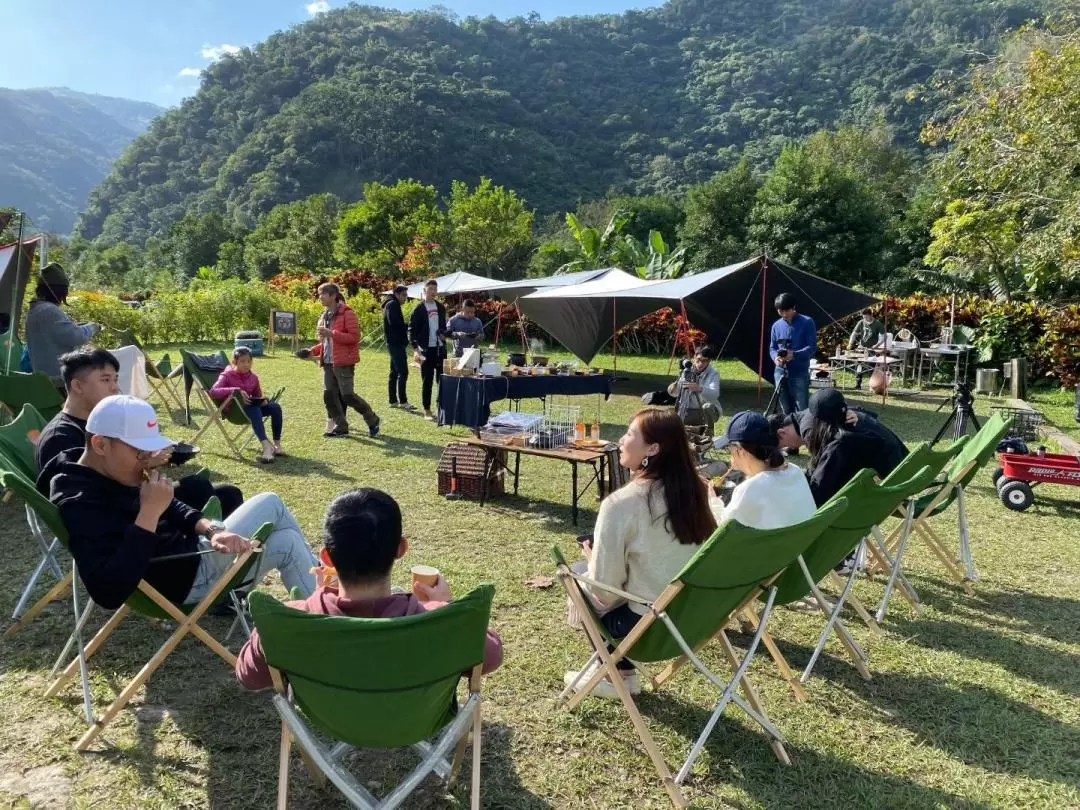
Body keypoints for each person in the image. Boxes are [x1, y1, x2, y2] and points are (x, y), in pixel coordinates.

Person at [49, 395, 318, 611]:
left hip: (193, 556)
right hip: (185, 578)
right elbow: (107, 593)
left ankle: (330, 614)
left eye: (150, 450)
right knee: (270, 502)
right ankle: (334, 600)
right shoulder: (80, 500)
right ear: (100, 444)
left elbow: (172, 505)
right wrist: (150, 512)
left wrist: (212, 530)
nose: (148, 459)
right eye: (139, 450)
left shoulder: (108, 470)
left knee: (288, 542)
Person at [235, 487, 503, 690]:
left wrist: (314, 599)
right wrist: (447, 608)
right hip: (415, 722)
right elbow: (491, 656)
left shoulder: (287, 620)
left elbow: (249, 676)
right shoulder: (439, 621)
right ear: (401, 549)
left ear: (326, 557)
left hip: (329, 721)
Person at [564, 408, 717, 698]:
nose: (621, 440)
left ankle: (616, 673)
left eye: (630, 433)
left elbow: (605, 592)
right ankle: (622, 673)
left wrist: (591, 562)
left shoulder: (621, 504)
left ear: (653, 448)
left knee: (576, 580)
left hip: (646, 630)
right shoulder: (696, 491)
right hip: (693, 619)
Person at [35, 348, 244, 517]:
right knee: (216, 492)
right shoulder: (60, 436)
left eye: (116, 379)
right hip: (117, 513)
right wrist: (146, 463)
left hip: (127, 500)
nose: (115, 388)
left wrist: (150, 454)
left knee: (213, 490)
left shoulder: (97, 422)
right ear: (77, 386)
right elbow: (78, 492)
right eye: (105, 380)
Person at [710, 411, 817, 529]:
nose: (729, 453)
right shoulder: (795, 471)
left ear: (740, 450)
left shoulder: (749, 489)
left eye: (728, 449)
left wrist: (713, 501)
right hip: (801, 545)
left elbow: (721, 531)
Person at [803, 388, 902, 507]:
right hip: (862, 510)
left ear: (816, 420)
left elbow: (818, 492)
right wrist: (854, 427)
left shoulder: (837, 447)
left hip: (833, 515)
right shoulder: (869, 439)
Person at [309, 283, 381, 439]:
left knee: (347, 395)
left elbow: (354, 338)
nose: (320, 297)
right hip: (328, 362)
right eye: (319, 294)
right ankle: (340, 426)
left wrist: (332, 333)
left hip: (344, 362)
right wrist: (311, 351)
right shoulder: (324, 315)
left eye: (323, 294)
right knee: (329, 395)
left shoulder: (347, 313)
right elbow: (326, 342)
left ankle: (372, 419)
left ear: (333, 296)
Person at [768, 395, 908, 475]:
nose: (789, 448)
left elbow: (824, 476)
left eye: (783, 446)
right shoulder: (811, 413)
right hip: (902, 459)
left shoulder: (811, 431)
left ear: (782, 432)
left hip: (890, 469)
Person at [24, 262, 101, 394]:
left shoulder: (35, 309)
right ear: (60, 291)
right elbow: (76, 337)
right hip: (59, 380)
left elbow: (56, 335)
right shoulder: (50, 311)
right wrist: (93, 327)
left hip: (44, 378)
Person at [210, 346, 284, 464]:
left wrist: (263, 400)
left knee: (275, 407)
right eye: (242, 361)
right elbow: (213, 392)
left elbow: (257, 396)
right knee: (254, 408)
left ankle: (277, 444)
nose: (246, 364)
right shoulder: (226, 375)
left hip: (251, 410)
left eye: (249, 361)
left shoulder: (253, 378)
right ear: (235, 362)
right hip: (235, 412)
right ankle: (266, 446)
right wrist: (235, 390)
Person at [769, 292, 816, 414]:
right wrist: (775, 358)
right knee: (785, 408)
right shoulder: (776, 326)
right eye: (780, 311)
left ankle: (802, 431)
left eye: (787, 310)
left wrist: (794, 354)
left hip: (799, 371)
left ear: (794, 307)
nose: (784, 314)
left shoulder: (807, 322)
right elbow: (772, 348)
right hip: (780, 371)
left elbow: (811, 348)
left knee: (802, 409)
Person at [408, 279, 447, 421]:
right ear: (424, 291)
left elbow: (443, 327)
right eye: (430, 289)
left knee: (442, 380)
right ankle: (427, 410)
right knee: (427, 380)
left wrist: (443, 333)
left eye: (435, 289)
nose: (433, 292)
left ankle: (440, 408)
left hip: (440, 349)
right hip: (426, 350)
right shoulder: (419, 309)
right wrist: (416, 349)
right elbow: (411, 331)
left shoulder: (441, 307)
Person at [667, 345, 721, 435]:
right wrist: (678, 382)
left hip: (704, 411)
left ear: (709, 361)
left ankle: (709, 431)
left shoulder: (713, 373)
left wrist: (699, 388)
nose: (700, 363)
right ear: (694, 357)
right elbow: (674, 394)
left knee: (707, 406)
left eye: (704, 361)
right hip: (688, 410)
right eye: (698, 360)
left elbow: (715, 394)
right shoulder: (687, 371)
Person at [382, 284, 415, 412]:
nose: (405, 298)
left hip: (394, 342)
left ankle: (393, 400)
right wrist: (408, 326)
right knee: (403, 372)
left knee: (394, 372)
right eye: (404, 295)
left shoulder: (390, 304)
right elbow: (394, 322)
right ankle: (403, 401)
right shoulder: (392, 304)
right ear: (397, 293)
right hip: (395, 343)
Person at [847, 308, 885, 389]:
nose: (865, 319)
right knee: (859, 365)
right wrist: (850, 343)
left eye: (866, 317)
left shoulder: (877, 324)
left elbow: (884, 336)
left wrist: (878, 344)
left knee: (872, 367)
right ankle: (858, 384)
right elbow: (854, 334)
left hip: (872, 349)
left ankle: (872, 386)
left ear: (871, 315)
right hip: (862, 348)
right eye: (864, 317)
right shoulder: (861, 322)